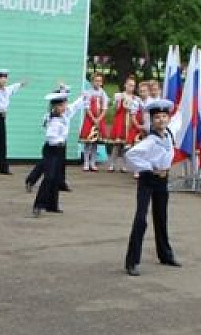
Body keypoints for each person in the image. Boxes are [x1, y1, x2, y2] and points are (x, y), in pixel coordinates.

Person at [123, 98, 183, 276]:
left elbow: (180, 118)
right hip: (149, 179)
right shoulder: (150, 140)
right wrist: (150, 168)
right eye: (157, 117)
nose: (162, 120)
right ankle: (132, 261)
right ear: (152, 120)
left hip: (163, 180)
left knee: (161, 216)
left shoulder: (169, 134)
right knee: (141, 219)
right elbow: (131, 156)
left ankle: (165, 254)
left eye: (164, 116)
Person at [31, 90, 88, 218]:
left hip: (60, 149)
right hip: (52, 149)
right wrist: (59, 141)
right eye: (62, 105)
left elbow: (75, 106)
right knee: (49, 176)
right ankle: (38, 204)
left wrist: (82, 97)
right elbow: (50, 138)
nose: (65, 107)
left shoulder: (65, 114)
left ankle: (52, 205)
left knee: (57, 177)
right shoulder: (52, 119)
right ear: (56, 107)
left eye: (65, 104)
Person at [106, 77, 139, 173]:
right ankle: (111, 164)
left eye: (133, 85)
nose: (131, 87)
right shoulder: (119, 96)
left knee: (127, 145)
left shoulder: (135, 99)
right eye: (129, 85)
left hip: (130, 123)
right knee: (116, 145)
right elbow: (115, 108)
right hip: (120, 121)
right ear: (125, 85)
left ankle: (124, 165)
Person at [79, 74, 109, 172]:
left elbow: (104, 108)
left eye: (100, 81)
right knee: (88, 142)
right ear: (92, 82)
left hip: (99, 120)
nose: (98, 83)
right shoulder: (88, 93)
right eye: (96, 81)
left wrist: (99, 119)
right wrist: (93, 118)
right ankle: (86, 162)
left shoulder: (103, 93)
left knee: (95, 142)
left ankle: (93, 162)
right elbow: (87, 107)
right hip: (90, 120)